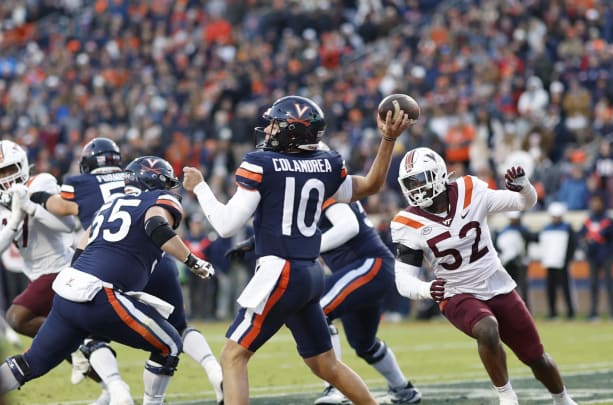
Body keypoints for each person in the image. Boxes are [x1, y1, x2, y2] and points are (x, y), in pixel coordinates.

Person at [182, 95, 411, 405]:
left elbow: (225, 225)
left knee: (233, 356)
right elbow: (370, 185)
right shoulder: (326, 164)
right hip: (309, 273)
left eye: (275, 125)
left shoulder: (260, 163)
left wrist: (199, 187)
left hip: (281, 272)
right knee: (325, 364)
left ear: (292, 130)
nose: (268, 130)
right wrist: (388, 139)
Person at [0, 156, 215, 405]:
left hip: (68, 290)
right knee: (170, 345)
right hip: (100, 294)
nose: (170, 189)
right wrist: (193, 261)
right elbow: (156, 225)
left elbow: (82, 247)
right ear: (154, 180)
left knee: (30, 363)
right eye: (166, 183)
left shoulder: (110, 204)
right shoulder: (156, 200)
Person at [390, 147, 577, 405]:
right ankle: (507, 398)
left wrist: (523, 187)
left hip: (497, 284)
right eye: (410, 183)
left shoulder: (470, 190)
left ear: (439, 174)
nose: (416, 188)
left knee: (536, 357)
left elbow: (525, 203)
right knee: (487, 329)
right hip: (456, 292)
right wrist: (427, 289)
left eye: (421, 180)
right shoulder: (407, 222)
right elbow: (403, 279)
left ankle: (563, 399)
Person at [313, 200, 420, 404]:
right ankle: (403, 390)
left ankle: (335, 388)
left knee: (317, 310)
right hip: (367, 270)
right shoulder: (307, 194)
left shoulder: (326, 187)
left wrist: (309, 248)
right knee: (363, 343)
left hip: (369, 265)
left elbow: (348, 226)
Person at [0, 140, 76, 338]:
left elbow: (67, 225)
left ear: (22, 165)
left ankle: (79, 344)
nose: (7, 178)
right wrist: (14, 221)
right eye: (1, 173)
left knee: (17, 318)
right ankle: (83, 350)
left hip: (58, 267)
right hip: (35, 274)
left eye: (10, 170)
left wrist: (31, 207)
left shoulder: (40, 183)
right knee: (52, 336)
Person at [579, 193, 613, 321]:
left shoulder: (608, 220)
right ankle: (593, 313)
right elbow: (581, 236)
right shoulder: (588, 220)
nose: (595, 204)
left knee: (609, 285)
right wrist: (585, 245)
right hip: (593, 257)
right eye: (593, 202)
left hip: (606, 255)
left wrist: (612, 253)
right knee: (593, 285)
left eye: (597, 202)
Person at [539, 202, 576, 320]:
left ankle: (570, 312)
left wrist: (567, 260)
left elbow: (572, 246)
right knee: (550, 289)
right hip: (550, 263)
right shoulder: (546, 228)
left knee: (566, 289)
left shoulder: (567, 227)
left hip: (562, 264)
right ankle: (552, 313)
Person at [495, 211, 535, 308]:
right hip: (508, 262)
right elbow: (500, 246)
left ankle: (526, 308)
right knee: (509, 286)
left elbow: (529, 243)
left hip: (521, 262)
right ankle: (512, 307)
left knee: (523, 286)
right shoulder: (505, 230)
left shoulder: (524, 230)